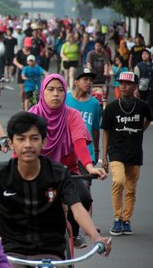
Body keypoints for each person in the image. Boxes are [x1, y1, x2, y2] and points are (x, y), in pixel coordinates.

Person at [0, 112, 112, 266]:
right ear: (11, 143)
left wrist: (96, 238)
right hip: (11, 251)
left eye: (34, 138)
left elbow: (77, 208)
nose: (28, 144)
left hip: (50, 251)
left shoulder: (59, 173)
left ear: (44, 142)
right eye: (21, 139)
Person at [29, 73, 107, 248]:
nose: (55, 94)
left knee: (84, 198)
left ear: (66, 93)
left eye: (60, 90)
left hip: (67, 171)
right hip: (39, 171)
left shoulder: (72, 115)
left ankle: (75, 232)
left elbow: (79, 141)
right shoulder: (32, 116)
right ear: (43, 92)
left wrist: (89, 166)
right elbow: (21, 147)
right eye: (51, 89)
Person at [101, 72, 152, 236]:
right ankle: (117, 218)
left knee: (131, 189)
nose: (123, 86)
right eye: (121, 83)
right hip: (116, 151)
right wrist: (104, 156)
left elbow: (149, 119)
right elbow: (106, 131)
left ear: (135, 86)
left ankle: (126, 220)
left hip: (135, 152)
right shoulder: (111, 107)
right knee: (118, 180)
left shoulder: (143, 106)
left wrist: (139, 132)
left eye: (127, 83)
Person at [66, 68, 102, 165]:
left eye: (91, 80)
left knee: (85, 180)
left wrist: (96, 151)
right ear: (76, 82)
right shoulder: (65, 98)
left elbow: (95, 129)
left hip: (86, 153)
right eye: (85, 79)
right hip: (66, 151)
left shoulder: (95, 104)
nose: (89, 82)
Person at [86, 40, 111, 108]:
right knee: (91, 92)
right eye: (96, 45)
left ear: (102, 47)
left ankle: (104, 107)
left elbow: (106, 64)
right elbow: (88, 63)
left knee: (104, 94)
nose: (97, 47)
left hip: (102, 77)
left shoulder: (105, 54)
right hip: (93, 77)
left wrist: (106, 72)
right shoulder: (91, 54)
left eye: (99, 46)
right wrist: (90, 71)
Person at [14, 37, 33, 110]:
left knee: (29, 89)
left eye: (29, 46)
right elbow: (14, 61)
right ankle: (23, 101)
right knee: (23, 90)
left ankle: (27, 103)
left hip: (29, 73)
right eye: (26, 46)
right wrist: (19, 65)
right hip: (21, 73)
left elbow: (35, 61)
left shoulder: (31, 52)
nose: (28, 47)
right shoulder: (19, 52)